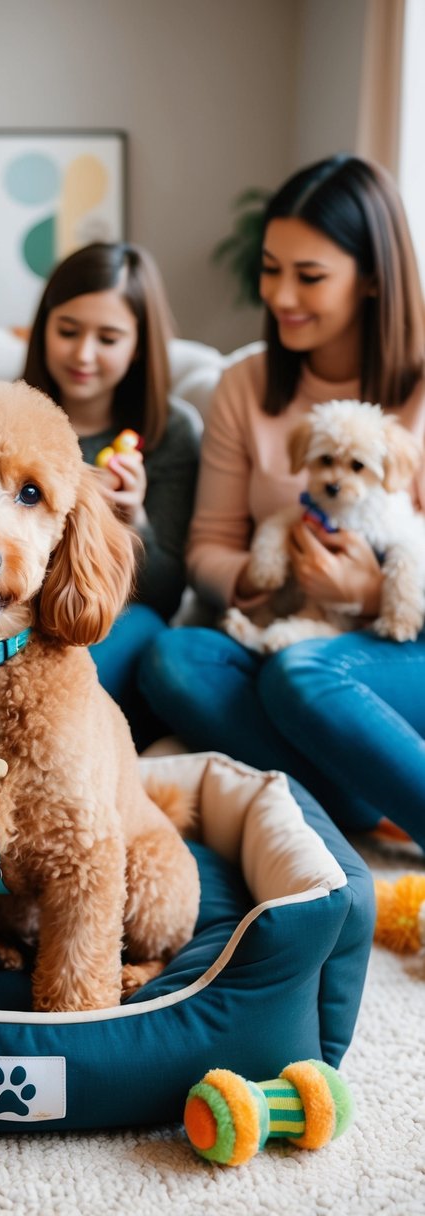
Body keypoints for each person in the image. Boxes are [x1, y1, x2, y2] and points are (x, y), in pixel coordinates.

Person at [139, 154, 425, 850]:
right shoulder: (244, 385)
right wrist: (261, 576)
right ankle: (354, 798)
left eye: (308, 276)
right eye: (270, 268)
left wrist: (361, 590)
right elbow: (207, 544)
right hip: (280, 627)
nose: (279, 294)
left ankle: (369, 788)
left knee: (301, 672)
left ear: (371, 281)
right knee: (172, 658)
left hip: (397, 648)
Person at [23, 241, 200, 747]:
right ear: (45, 328)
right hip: (13, 608)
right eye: (68, 331)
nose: (83, 354)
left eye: (108, 337)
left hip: (116, 619)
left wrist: (132, 521)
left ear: (140, 343)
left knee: (139, 627)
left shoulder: (169, 431)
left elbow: (166, 594)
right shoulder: (14, 418)